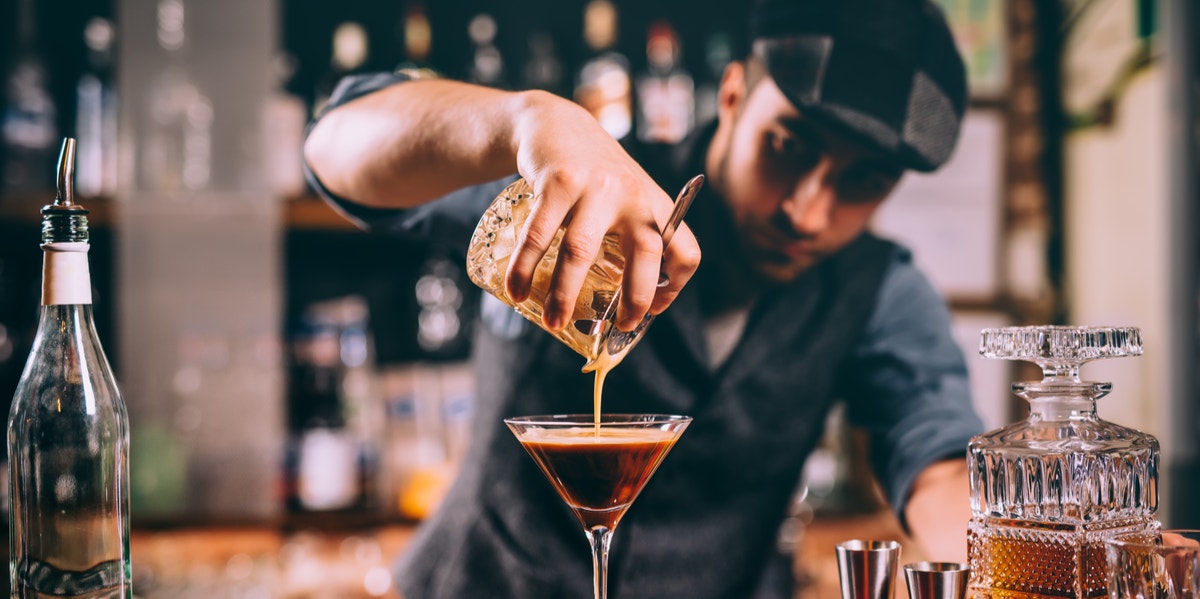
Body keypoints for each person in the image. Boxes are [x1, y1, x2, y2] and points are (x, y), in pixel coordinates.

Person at [303, 0, 984, 596]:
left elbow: (938, 468)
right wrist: (521, 120)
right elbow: (333, 148)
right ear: (733, 95)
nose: (808, 211)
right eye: (786, 145)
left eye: (863, 180)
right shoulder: (578, 187)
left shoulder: (882, 289)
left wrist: (1014, 563)